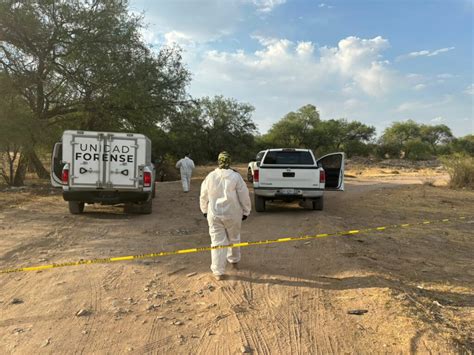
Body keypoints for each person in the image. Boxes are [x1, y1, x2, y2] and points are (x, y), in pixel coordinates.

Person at [200, 151, 251, 281]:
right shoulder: (236, 176)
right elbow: (244, 195)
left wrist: (204, 210)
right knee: (234, 238)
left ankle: (218, 272)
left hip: (214, 214)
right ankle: (234, 262)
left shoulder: (210, 176)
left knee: (217, 242)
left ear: (218, 161)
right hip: (233, 214)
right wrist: (246, 211)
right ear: (230, 161)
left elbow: (203, 195)